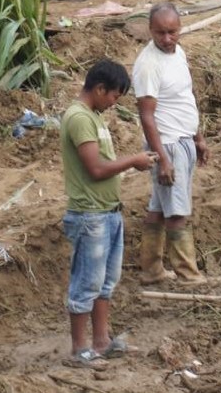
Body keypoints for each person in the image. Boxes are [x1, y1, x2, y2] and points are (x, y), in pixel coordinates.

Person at [59, 59, 156, 368]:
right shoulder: (79, 119)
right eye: (114, 96)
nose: (115, 103)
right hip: (90, 215)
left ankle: (101, 342)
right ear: (100, 89)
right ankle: (79, 349)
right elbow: (96, 168)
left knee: (105, 282)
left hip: (108, 212)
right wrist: (134, 161)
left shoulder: (95, 116)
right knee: (86, 283)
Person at [131, 3, 210, 286]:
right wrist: (163, 158)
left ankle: (151, 270)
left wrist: (198, 138)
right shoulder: (148, 65)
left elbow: (185, 98)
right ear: (150, 30)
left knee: (160, 207)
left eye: (172, 32)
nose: (167, 39)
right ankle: (188, 274)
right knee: (177, 211)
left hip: (183, 140)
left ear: (180, 29)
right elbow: (146, 116)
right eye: (160, 33)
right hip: (168, 144)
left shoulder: (178, 53)